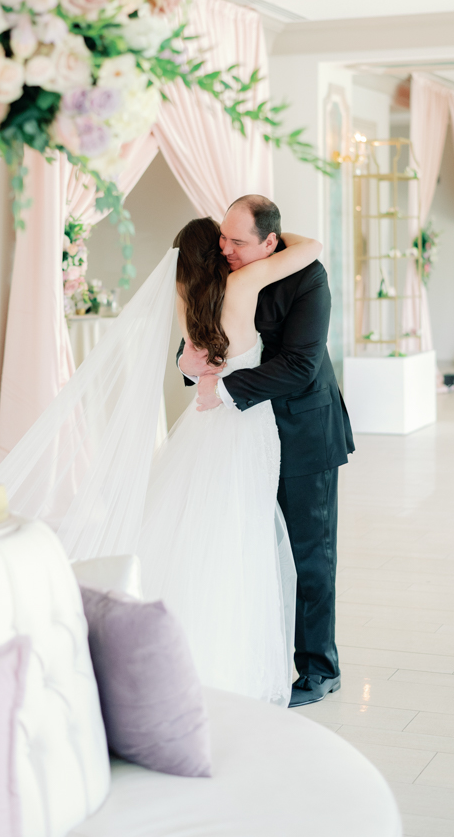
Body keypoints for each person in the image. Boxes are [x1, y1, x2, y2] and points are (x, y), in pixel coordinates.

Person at [179, 195, 354, 708]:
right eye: (223, 237)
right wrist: (193, 365)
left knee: (310, 557)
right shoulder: (223, 268)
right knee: (252, 550)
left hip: (304, 434)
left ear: (271, 243)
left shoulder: (309, 278)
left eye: (237, 241)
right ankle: (262, 654)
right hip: (243, 440)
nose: (225, 249)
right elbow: (200, 336)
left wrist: (224, 389)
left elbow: (301, 365)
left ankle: (321, 668)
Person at [138, 217, 322, 706]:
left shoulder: (185, 297)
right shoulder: (242, 284)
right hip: (244, 422)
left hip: (202, 424)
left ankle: (184, 648)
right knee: (245, 531)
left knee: (197, 526)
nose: (228, 247)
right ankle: (238, 653)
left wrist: (194, 369)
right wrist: (280, 239)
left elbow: (190, 359)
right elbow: (312, 247)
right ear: (216, 255)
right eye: (222, 242)